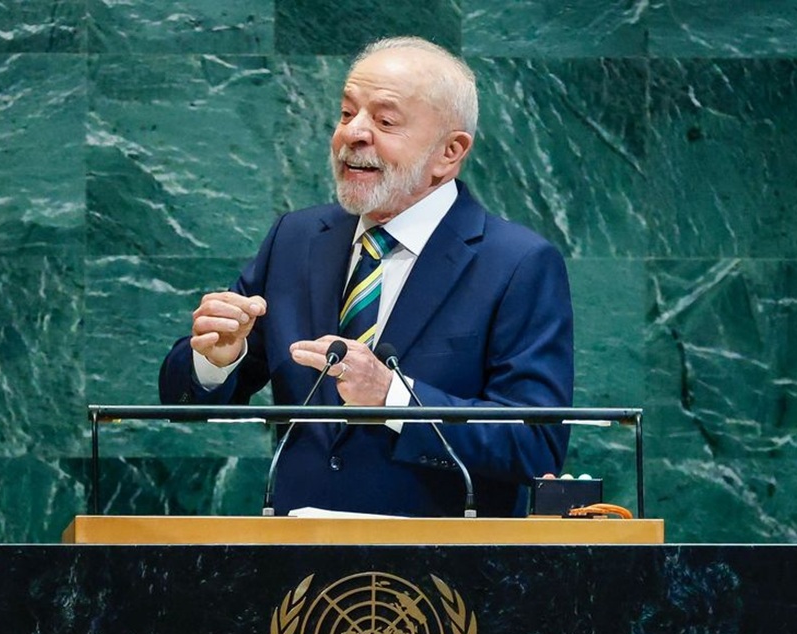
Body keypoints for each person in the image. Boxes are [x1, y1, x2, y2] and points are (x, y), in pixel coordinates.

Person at [160, 36, 573, 517]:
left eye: (385, 121)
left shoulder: (518, 263)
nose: (352, 133)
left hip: (438, 557)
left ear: (450, 151)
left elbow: (536, 445)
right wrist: (215, 360)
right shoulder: (295, 239)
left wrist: (392, 396)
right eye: (346, 113)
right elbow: (187, 399)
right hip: (297, 554)